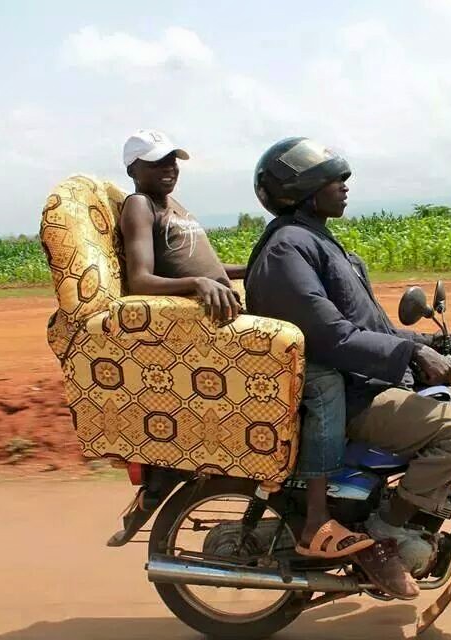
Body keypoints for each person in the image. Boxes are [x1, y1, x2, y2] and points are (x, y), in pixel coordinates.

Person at [245, 137, 451, 599]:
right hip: (352, 393)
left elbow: (369, 326)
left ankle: (416, 511)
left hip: (364, 380)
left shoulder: (319, 242)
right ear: (302, 190)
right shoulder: (288, 248)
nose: (344, 184)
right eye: (333, 179)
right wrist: (410, 356)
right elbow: (331, 335)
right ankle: (383, 534)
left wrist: (431, 343)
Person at [118, 129, 373, 561]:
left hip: (221, 316)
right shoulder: (140, 205)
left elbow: (208, 267)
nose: (169, 168)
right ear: (133, 169)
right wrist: (198, 284)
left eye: (172, 160)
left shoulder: (173, 207)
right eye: (157, 162)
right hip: (202, 330)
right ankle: (316, 520)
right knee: (323, 379)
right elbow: (140, 279)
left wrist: (263, 265)